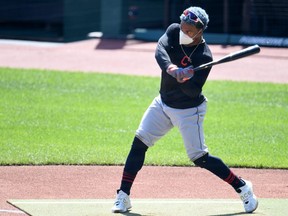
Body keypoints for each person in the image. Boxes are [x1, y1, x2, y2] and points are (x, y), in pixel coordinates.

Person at [111, 6, 258, 214]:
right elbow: (159, 50)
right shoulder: (173, 31)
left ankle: (243, 187)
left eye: (189, 31)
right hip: (163, 103)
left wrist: (185, 78)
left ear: (200, 31)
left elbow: (192, 91)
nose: (184, 33)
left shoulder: (205, 57)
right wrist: (173, 70)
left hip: (189, 110)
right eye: (183, 28)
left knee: (200, 158)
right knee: (139, 143)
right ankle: (123, 196)